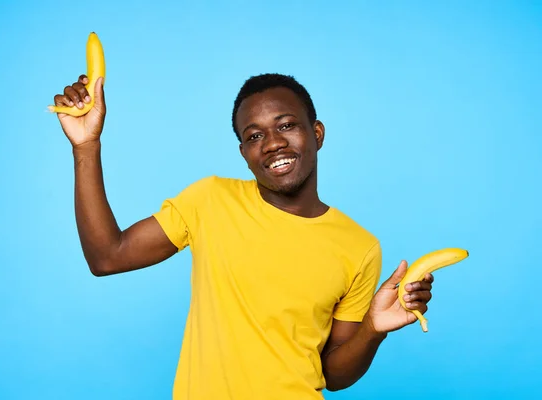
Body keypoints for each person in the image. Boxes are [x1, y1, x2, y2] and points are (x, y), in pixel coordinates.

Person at [52, 72, 434, 399]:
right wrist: (86, 145)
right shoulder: (211, 201)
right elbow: (107, 257)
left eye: (286, 125)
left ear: (316, 133)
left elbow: (333, 375)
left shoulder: (359, 246)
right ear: (243, 152)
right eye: (254, 136)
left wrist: (372, 329)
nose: (272, 143)